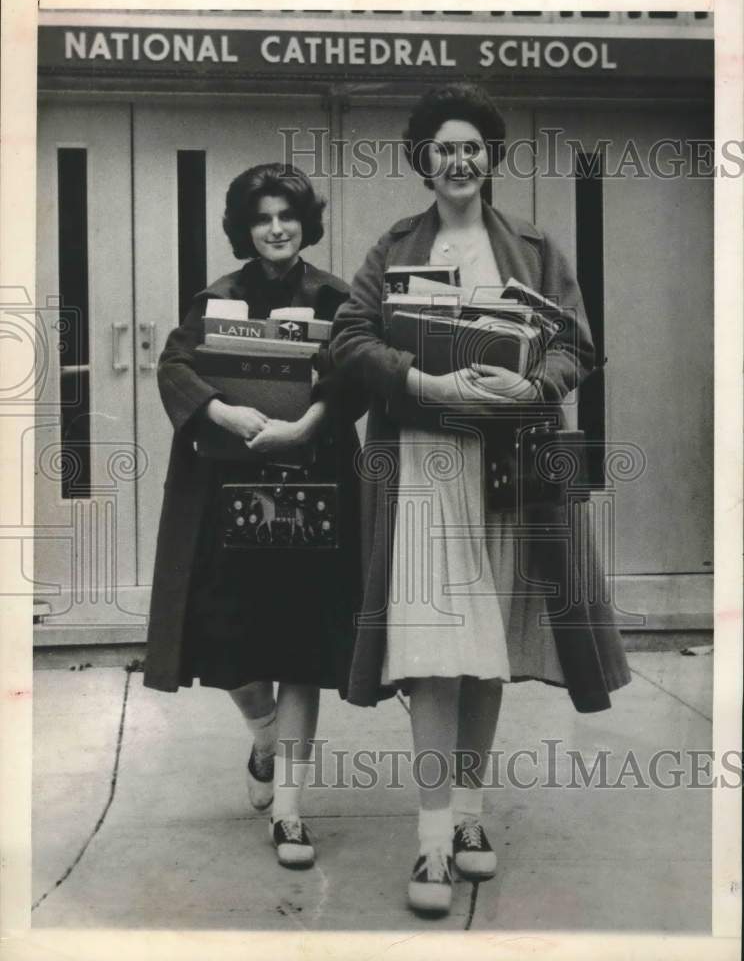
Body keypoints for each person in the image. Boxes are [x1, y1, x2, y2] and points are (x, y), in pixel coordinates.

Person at [330, 84, 631, 915]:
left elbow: (577, 343)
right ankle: (430, 844)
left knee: (487, 644)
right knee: (432, 649)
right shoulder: (393, 247)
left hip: (510, 464)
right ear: (422, 160)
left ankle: (470, 817)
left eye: (472, 147)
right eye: (442, 147)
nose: (458, 160)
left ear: (489, 159)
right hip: (424, 462)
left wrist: (532, 385)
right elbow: (351, 338)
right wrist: (419, 376)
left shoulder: (532, 246)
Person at [144, 162, 365, 870]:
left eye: (287, 216)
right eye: (263, 218)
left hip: (314, 480)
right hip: (232, 488)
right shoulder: (218, 298)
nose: (276, 228)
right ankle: (265, 735)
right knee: (229, 637)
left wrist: (308, 426)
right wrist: (222, 410)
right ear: (245, 228)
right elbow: (175, 368)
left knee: (303, 645)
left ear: (305, 223)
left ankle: (293, 812)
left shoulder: (336, 298)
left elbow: (357, 376)